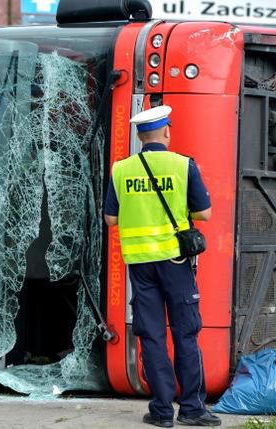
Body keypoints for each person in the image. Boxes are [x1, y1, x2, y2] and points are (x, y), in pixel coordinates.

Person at [104, 106, 220, 427]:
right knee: (186, 334)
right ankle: (193, 410)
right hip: (176, 262)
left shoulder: (121, 170)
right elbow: (205, 214)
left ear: (140, 137)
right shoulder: (183, 166)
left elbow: (111, 218)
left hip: (140, 265)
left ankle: (161, 412)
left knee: (151, 335)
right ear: (167, 132)